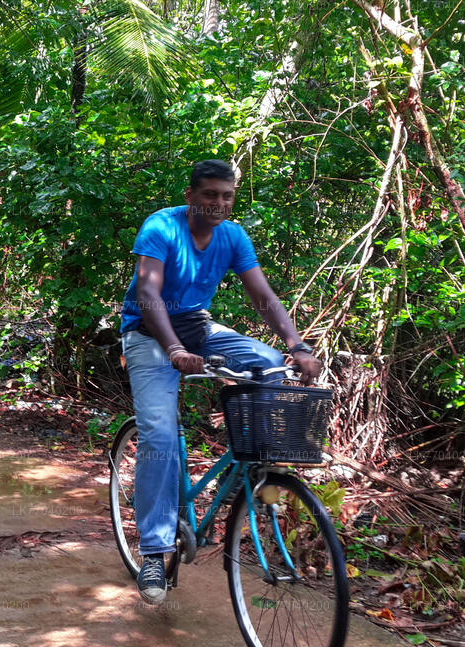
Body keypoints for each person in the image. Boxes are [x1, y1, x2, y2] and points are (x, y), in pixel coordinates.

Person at [120, 159, 324, 606]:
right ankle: (154, 549)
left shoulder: (232, 236)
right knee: (157, 433)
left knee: (269, 365)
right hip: (148, 333)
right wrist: (173, 350)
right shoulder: (161, 228)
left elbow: (263, 296)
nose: (218, 204)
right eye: (210, 195)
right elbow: (148, 294)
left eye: (226, 196)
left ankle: (242, 474)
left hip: (196, 325)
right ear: (191, 195)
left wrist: (297, 345)